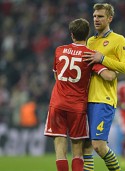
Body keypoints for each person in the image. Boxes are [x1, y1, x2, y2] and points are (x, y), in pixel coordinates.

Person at [44, 18, 117, 171]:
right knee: (77, 152)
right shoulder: (90, 55)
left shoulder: (59, 50)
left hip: (57, 103)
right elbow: (109, 76)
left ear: (71, 35)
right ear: (87, 35)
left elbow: (57, 76)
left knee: (60, 149)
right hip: (77, 107)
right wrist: (117, 67)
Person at [81, 3, 125, 171]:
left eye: (100, 16)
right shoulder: (90, 41)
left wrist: (102, 59)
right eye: (95, 16)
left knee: (99, 146)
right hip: (85, 98)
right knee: (86, 146)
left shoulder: (119, 40)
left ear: (109, 18)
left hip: (103, 99)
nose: (96, 19)